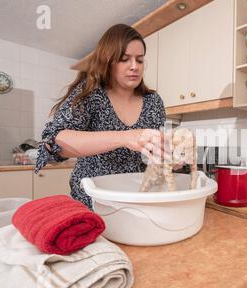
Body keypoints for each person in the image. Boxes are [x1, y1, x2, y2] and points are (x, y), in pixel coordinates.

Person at [35, 24, 167, 209]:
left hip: (136, 199)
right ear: (108, 61)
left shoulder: (153, 101)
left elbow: (155, 156)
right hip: (93, 201)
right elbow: (56, 142)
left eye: (140, 60)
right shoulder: (91, 93)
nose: (134, 67)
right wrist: (127, 137)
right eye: (124, 59)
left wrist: (171, 158)